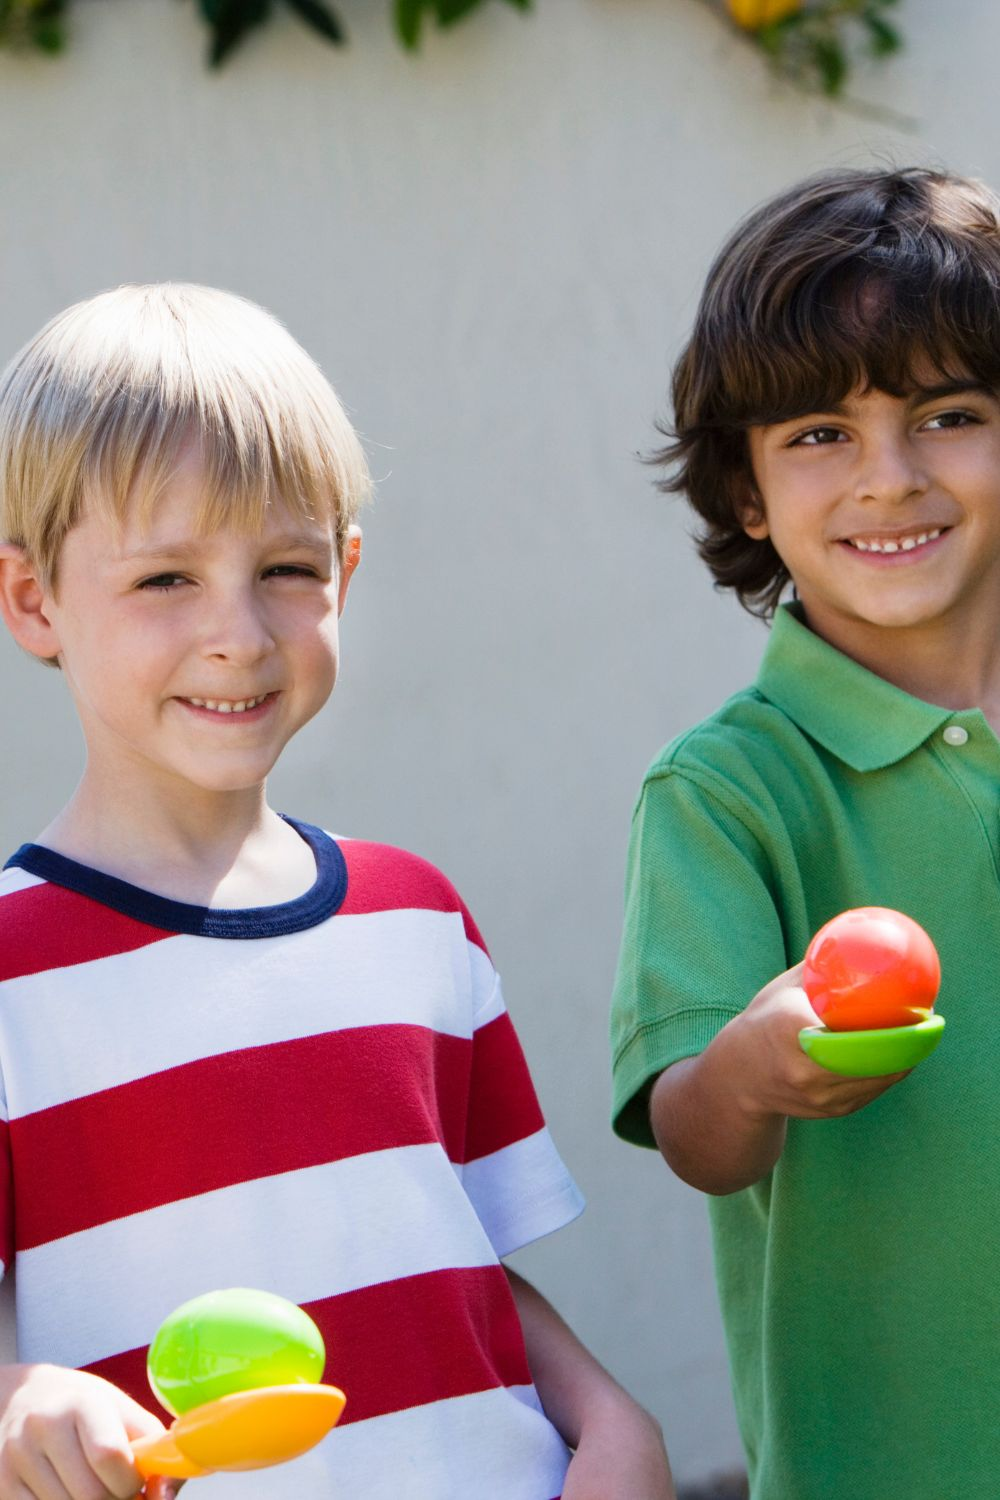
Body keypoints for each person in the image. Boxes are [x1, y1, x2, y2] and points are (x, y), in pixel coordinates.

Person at [0, 283, 672, 1500]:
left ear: (346, 572)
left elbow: (457, 1261)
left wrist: (611, 1418)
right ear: (34, 601)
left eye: (286, 569)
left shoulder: (414, 915)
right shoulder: (10, 967)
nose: (240, 633)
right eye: (164, 581)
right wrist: (22, 1404)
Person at [609, 167, 1000, 1500]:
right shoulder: (729, 790)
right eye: (821, 434)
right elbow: (694, 1135)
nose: (889, 480)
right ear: (748, 495)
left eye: (949, 415)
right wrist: (755, 1069)